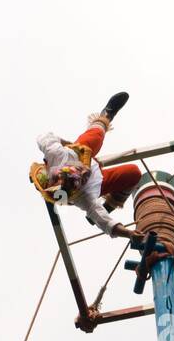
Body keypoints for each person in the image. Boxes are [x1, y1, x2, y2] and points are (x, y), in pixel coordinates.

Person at [30, 91, 141, 237]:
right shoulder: (84, 197)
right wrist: (129, 234)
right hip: (97, 182)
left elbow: (44, 137)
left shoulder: (58, 154)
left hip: (79, 153)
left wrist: (66, 143)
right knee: (133, 173)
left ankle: (106, 114)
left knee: (96, 137)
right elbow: (104, 223)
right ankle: (109, 205)